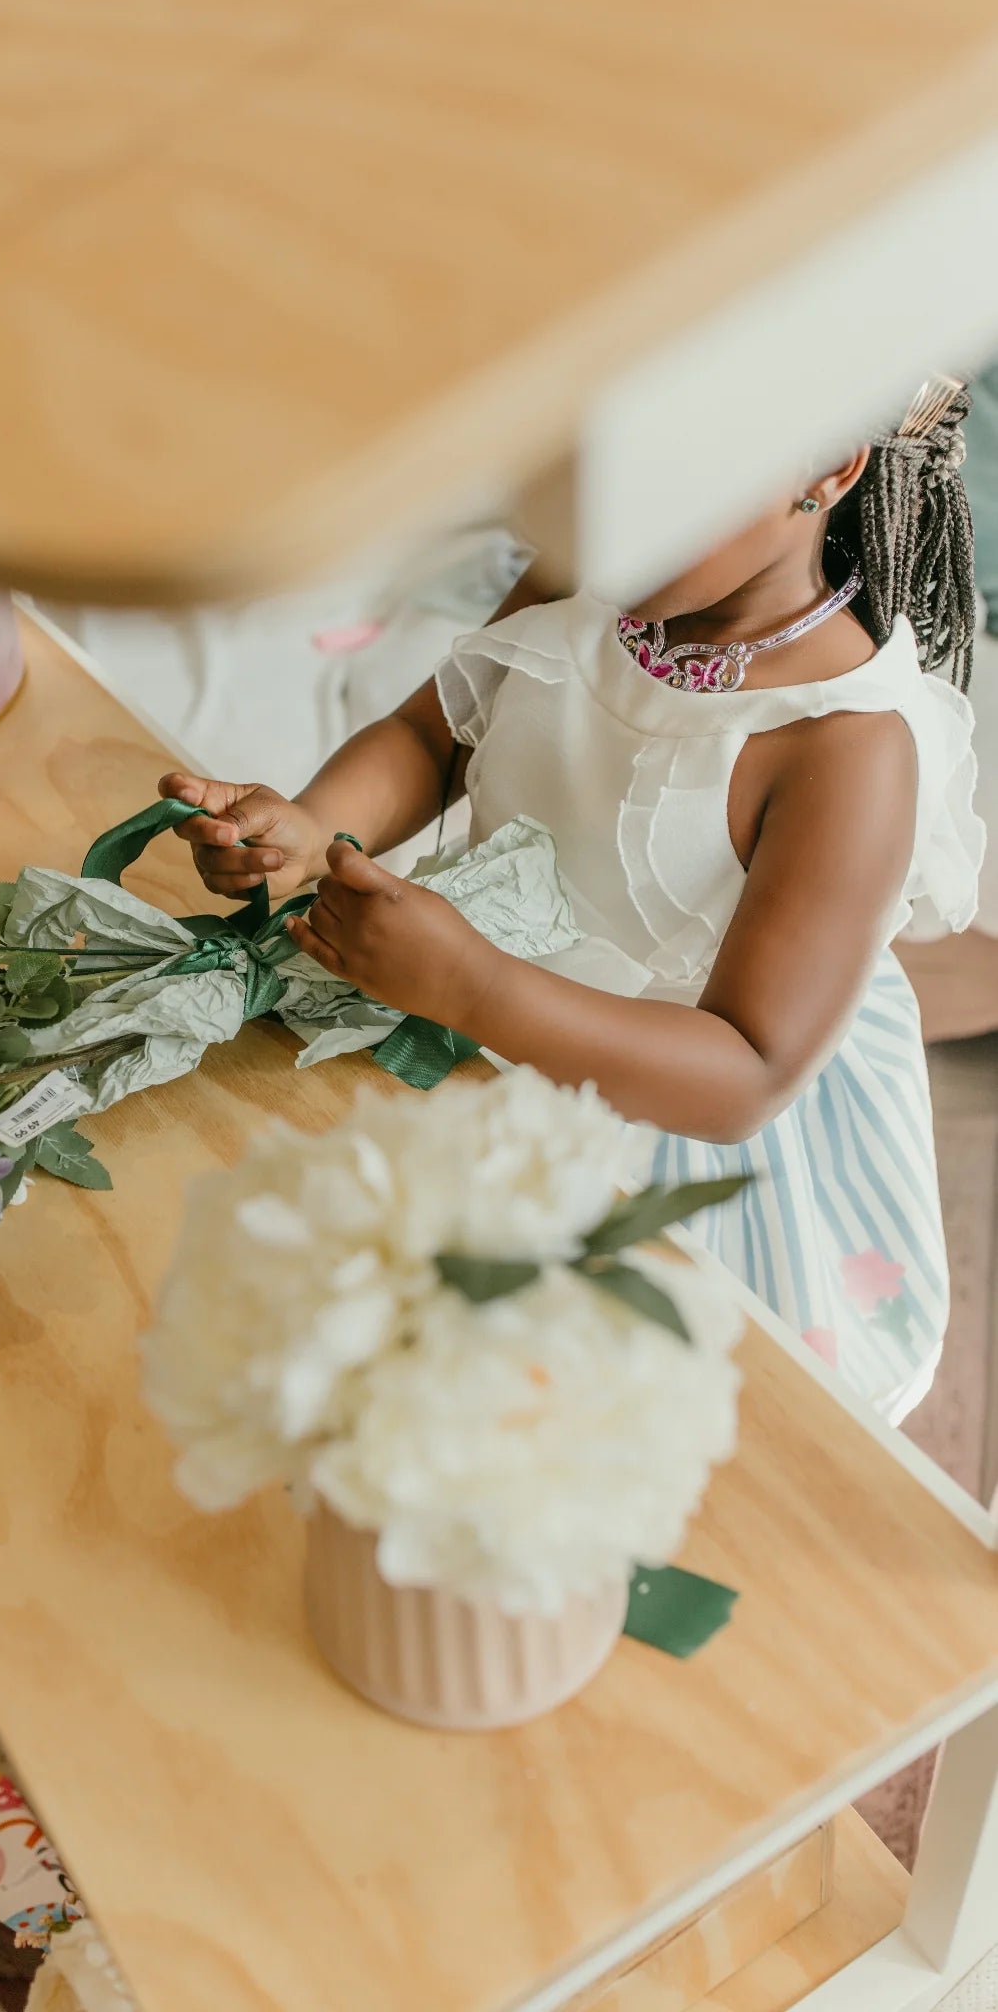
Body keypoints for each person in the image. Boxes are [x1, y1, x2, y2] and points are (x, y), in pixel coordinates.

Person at [162, 378, 985, 1422]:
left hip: (663, 1103)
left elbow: (745, 1072)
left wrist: (472, 985)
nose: (608, 530)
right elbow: (434, 735)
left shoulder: (845, 748)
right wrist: (312, 825)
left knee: (540, 1399)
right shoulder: (590, 574)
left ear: (825, 470)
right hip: (468, 994)